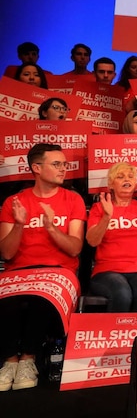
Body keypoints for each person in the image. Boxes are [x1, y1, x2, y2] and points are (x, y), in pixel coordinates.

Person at [0, 144, 85, 391]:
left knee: (41, 297)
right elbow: (6, 253)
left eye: (64, 164)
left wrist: (51, 227)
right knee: (6, 300)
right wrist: (19, 225)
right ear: (36, 168)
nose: (63, 170)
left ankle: (28, 359)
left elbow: (74, 248)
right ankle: (9, 362)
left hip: (59, 270)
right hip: (18, 271)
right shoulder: (14, 201)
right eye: (56, 164)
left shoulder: (73, 199)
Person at [85, 162, 137, 311]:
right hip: (107, 271)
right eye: (120, 177)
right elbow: (92, 241)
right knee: (122, 292)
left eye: (130, 177)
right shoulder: (100, 208)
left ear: (136, 184)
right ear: (111, 183)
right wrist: (107, 217)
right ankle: (117, 334)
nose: (126, 180)